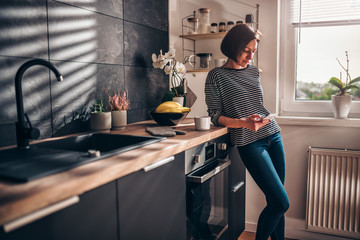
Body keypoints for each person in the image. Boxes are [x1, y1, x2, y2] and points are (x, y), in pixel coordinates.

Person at [205, 24, 289, 240]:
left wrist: (257, 118)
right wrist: (243, 122)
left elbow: (256, 105)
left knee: (276, 202)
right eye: (247, 51)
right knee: (281, 202)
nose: (251, 56)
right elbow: (215, 115)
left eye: (254, 51)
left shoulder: (253, 71)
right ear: (234, 47)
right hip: (249, 142)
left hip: (272, 134)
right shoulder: (216, 76)